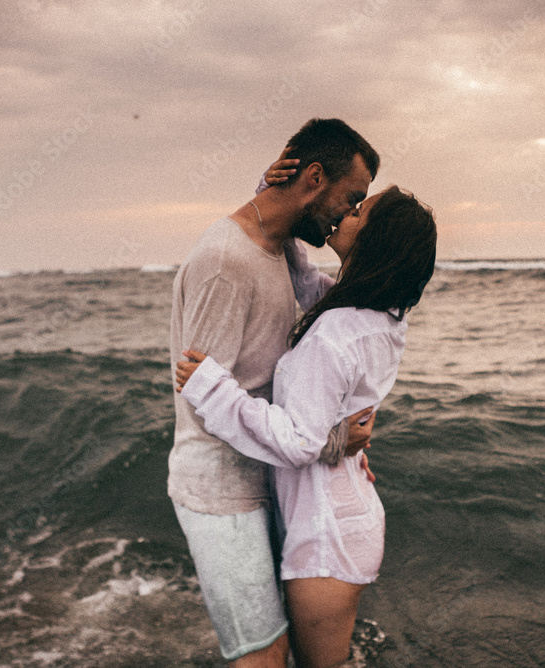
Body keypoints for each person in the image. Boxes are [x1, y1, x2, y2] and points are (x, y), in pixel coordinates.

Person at [176, 185, 438, 668]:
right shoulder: (376, 317)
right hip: (341, 516)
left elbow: (300, 441)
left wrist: (214, 390)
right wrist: (278, 196)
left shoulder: (338, 333)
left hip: (326, 535)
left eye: (360, 211)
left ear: (375, 239)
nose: (347, 213)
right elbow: (303, 278)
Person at [168, 118, 381, 667]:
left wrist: (336, 442)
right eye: (351, 198)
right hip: (223, 490)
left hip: (271, 475)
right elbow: (202, 395)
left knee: (282, 646)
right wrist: (326, 443)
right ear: (314, 177)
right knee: (261, 656)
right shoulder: (225, 261)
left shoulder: (281, 249)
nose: (349, 214)